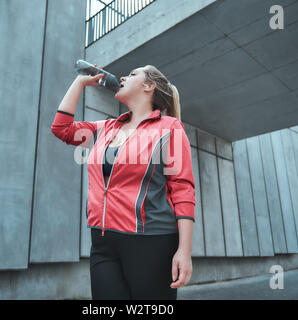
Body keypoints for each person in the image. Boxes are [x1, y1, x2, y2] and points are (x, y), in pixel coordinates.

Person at [51, 64, 196, 300]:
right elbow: (62, 129)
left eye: (132, 74)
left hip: (151, 241)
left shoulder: (170, 128)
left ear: (149, 86)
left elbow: (182, 189)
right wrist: (80, 83)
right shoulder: (106, 128)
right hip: (103, 241)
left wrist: (184, 250)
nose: (122, 77)